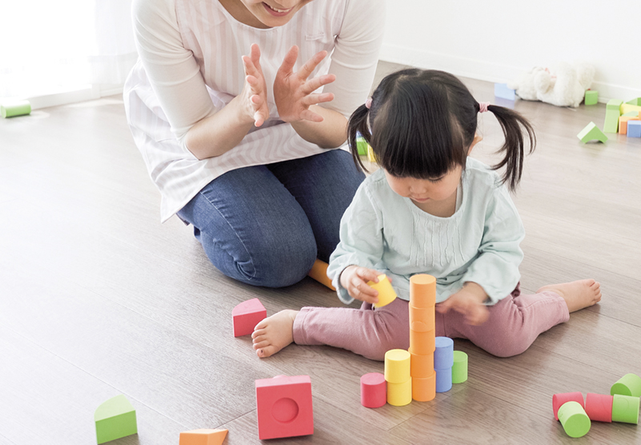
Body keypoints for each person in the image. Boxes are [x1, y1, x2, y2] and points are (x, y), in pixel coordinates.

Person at [251, 69, 602, 360]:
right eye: (399, 174)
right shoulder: (375, 194)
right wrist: (351, 274)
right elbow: (353, 249)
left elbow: (503, 249)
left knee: (510, 339)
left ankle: (554, 300)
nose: (416, 189)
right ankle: (300, 323)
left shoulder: (485, 189)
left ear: (468, 149)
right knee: (382, 345)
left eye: (434, 178)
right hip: (403, 296)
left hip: (472, 292)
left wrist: (476, 290)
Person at [123, 0, 384, 287]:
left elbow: (342, 124)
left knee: (361, 239)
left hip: (303, 130)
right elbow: (197, 139)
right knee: (280, 257)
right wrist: (244, 110)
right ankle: (205, 211)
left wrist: (297, 115)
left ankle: (261, 197)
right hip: (208, 137)